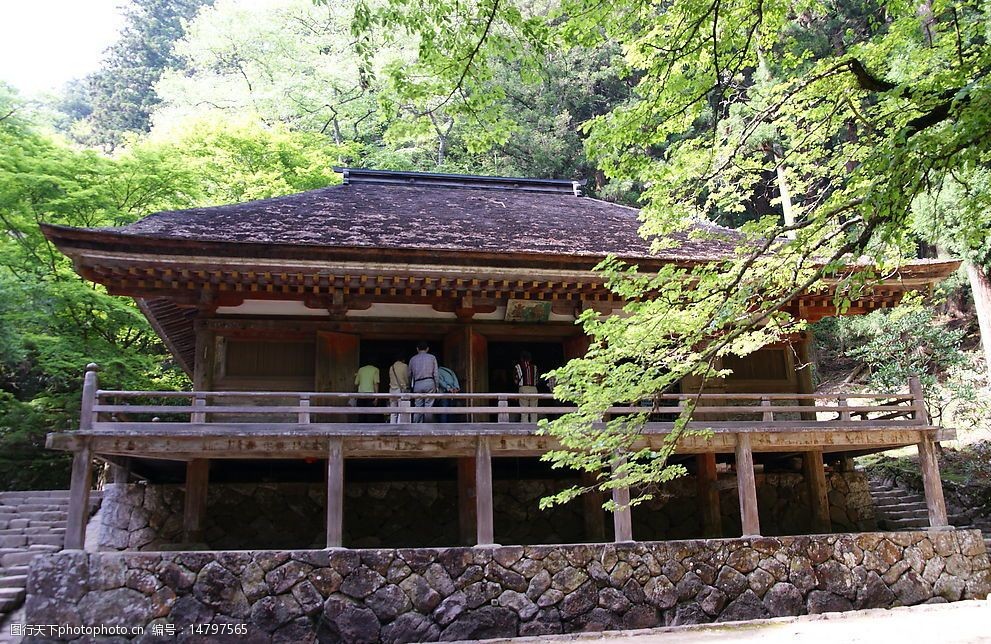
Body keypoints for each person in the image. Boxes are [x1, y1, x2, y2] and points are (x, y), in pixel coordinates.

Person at [408, 341, 438, 422]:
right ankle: (428, 427)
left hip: (417, 383)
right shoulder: (432, 358)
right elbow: (435, 373)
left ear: (417, 349)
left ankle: (416, 427)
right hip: (429, 382)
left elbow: (409, 375)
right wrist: (437, 385)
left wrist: (410, 385)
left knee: (418, 407)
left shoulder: (412, 359)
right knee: (429, 407)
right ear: (427, 349)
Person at [514, 351, 540, 423]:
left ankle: (525, 425)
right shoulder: (535, 367)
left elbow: (516, 380)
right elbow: (537, 380)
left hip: (523, 388)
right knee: (534, 410)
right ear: (530, 359)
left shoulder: (518, 367)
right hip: (534, 389)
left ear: (521, 358)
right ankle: (534, 425)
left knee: (524, 410)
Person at [387, 353, 410, 423]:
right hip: (401, 390)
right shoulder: (405, 366)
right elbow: (407, 378)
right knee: (401, 411)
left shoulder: (391, 367)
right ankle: (399, 427)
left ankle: (392, 426)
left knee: (393, 411)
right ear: (403, 359)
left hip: (392, 390)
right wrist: (407, 385)